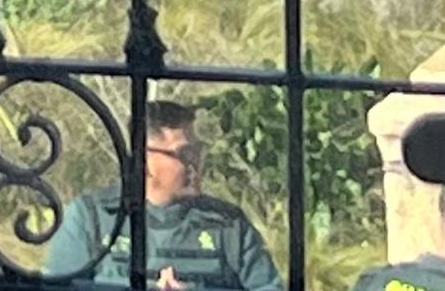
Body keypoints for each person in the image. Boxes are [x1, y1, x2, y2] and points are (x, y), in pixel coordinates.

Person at [44, 101, 284, 290]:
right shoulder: (92, 218)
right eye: (184, 153)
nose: (196, 164)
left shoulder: (228, 224)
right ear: (144, 159)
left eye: (197, 151)